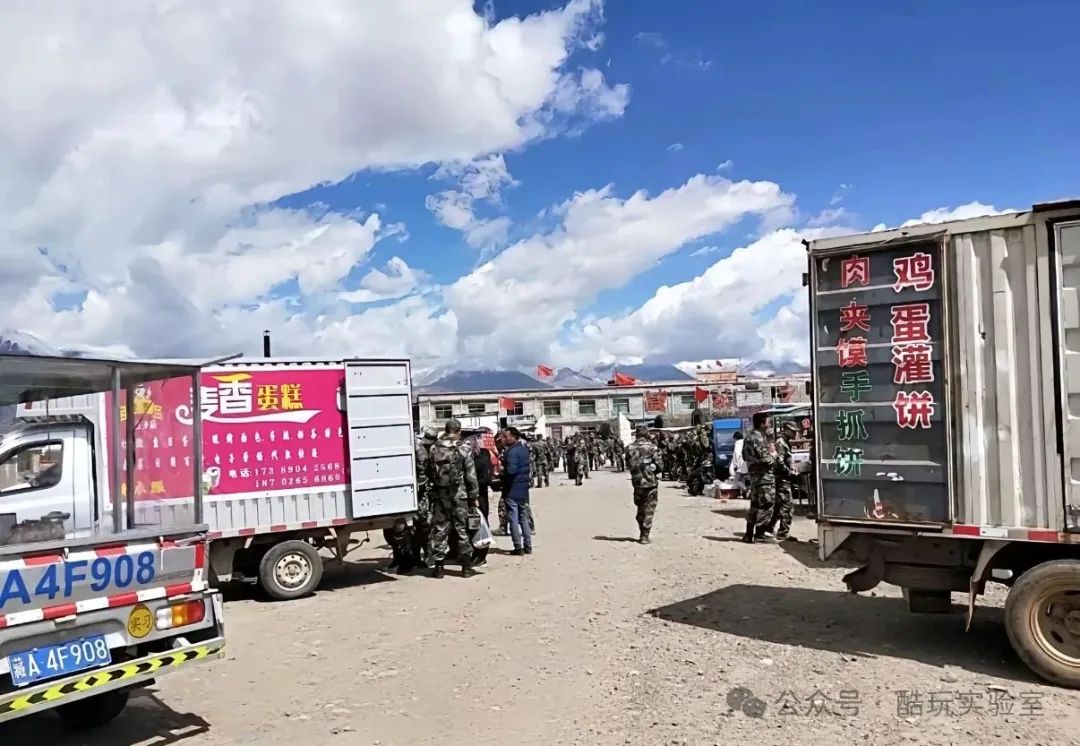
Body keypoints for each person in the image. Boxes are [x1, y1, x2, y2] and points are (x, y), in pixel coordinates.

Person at [427, 419, 479, 578]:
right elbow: (471, 475)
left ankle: (439, 568)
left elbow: (430, 471)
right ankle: (466, 567)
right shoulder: (463, 448)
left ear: (445, 429)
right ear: (459, 431)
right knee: (462, 529)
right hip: (459, 495)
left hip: (440, 495)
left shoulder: (434, 448)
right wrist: (474, 496)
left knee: (440, 529)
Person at [742, 412, 778, 544]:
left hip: (754, 477)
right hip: (764, 477)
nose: (769, 425)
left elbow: (745, 457)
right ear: (762, 424)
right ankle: (760, 533)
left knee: (755, 505)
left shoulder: (748, 438)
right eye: (768, 422)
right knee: (766, 505)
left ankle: (748, 534)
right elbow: (766, 460)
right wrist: (774, 455)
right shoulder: (759, 439)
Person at [500, 427, 533, 555]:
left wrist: (502, 472)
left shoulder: (512, 452)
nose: (503, 439)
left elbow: (511, 471)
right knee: (523, 517)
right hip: (523, 488)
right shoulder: (524, 449)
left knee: (513, 518)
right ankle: (528, 546)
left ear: (514, 436)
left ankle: (518, 547)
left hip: (513, 488)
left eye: (506, 437)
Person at [627, 426, 661, 544]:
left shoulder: (629, 448)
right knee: (649, 509)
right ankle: (644, 536)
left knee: (640, 508)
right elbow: (660, 465)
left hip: (637, 483)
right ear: (647, 435)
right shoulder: (652, 448)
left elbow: (628, 465)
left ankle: (642, 531)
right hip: (650, 482)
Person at [768, 422, 798, 540]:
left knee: (778, 505)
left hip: (782, 478)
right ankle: (783, 532)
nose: (795, 433)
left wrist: (792, 466)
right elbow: (779, 462)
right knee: (787, 506)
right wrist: (789, 472)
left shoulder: (785, 442)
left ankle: (768, 528)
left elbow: (786, 459)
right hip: (782, 478)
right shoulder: (781, 443)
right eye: (793, 431)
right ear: (786, 430)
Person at [473, 435, 493, 525]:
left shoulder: (482, 457)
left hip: (480, 492)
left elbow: (486, 478)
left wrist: (473, 484)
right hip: (477, 491)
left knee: (482, 515)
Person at [731, 431, 747, 497]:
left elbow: (736, 453)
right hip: (747, 462)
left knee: (736, 480)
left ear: (735, 438)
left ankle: (746, 489)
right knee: (743, 479)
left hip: (741, 463)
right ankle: (744, 494)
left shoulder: (738, 443)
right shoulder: (745, 442)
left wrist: (735, 464)